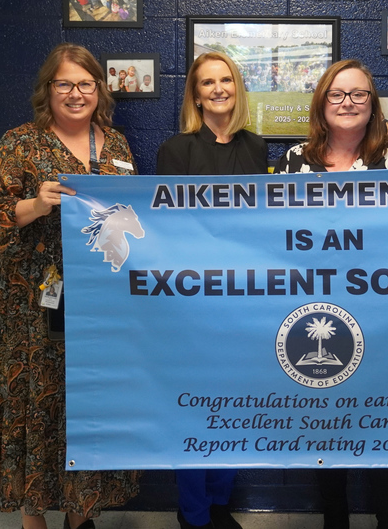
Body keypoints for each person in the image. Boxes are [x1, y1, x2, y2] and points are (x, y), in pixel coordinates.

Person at [0, 43, 141, 529]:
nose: (75, 93)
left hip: (100, 303)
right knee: (35, 401)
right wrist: (35, 204)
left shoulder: (117, 146)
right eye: (64, 83)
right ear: (48, 89)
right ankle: (33, 518)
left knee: (88, 401)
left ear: (99, 90)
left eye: (85, 83)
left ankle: (79, 515)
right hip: (32, 304)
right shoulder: (19, 144)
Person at [275, 59, 388, 529]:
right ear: (322, 102)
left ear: (372, 104)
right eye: (337, 94)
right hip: (316, 309)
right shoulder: (295, 160)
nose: (348, 103)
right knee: (325, 419)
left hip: (385, 310)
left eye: (358, 94)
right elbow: (277, 233)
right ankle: (335, 516)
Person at [157, 53, 268, 529]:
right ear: (196, 95)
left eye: (226, 80)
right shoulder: (175, 150)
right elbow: (167, 231)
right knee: (193, 408)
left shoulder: (258, 147)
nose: (218, 89)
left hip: (243, 300)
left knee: (235, 405)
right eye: (207, 82)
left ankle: (219, 505)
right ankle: (194, 514)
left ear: (237, 88)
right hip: (192, 303)